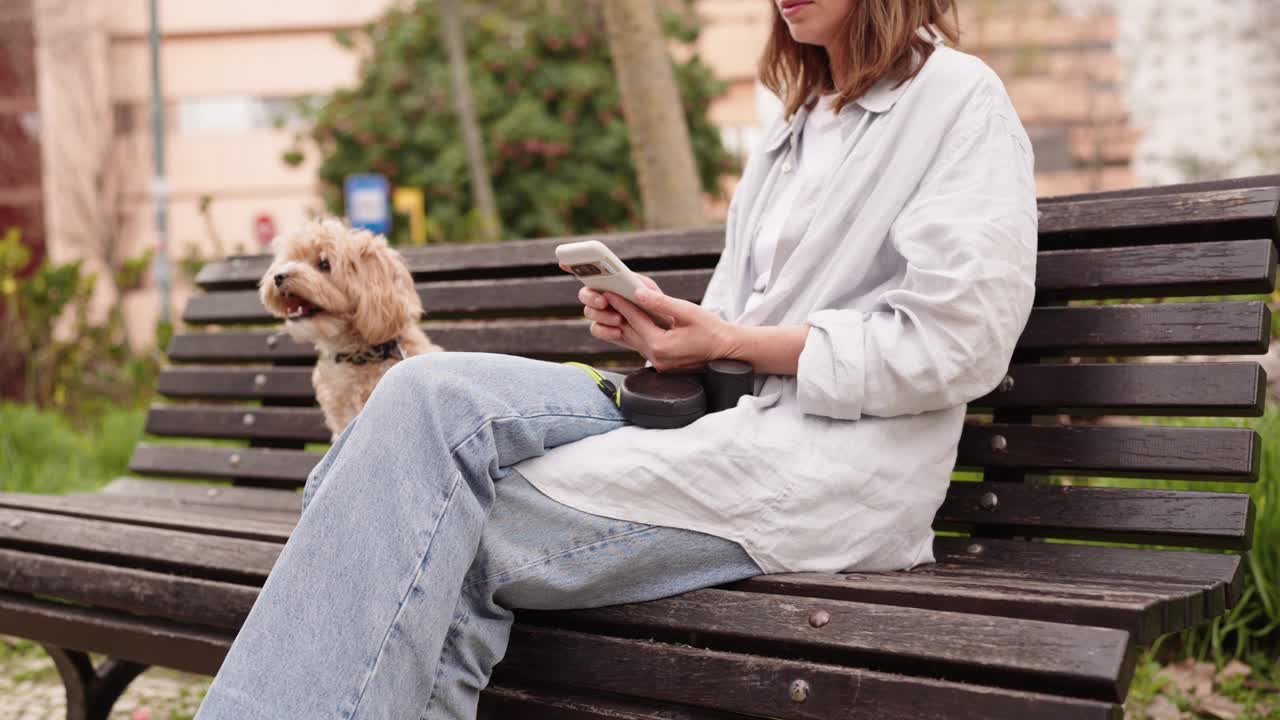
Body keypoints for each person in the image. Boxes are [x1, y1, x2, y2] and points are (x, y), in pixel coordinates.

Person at [194, 0, 1036, 717]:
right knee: (418, 391)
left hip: (829, 470)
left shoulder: (958, 101)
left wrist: (733, 342)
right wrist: (668, 333)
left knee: (398, 512)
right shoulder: (794, 121)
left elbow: (960, 343)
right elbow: (736, 334)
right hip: (713, 426)